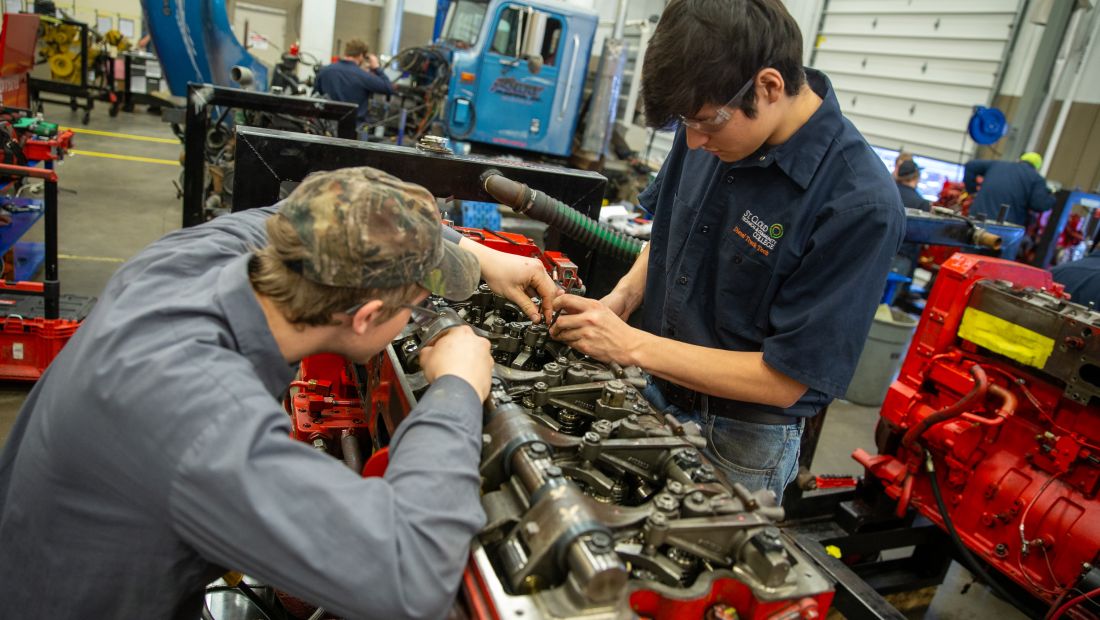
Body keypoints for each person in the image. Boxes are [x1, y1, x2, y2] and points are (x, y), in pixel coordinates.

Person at [0, 166, 559, 619]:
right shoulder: (200, 417)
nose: (417, 316)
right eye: (414, 307)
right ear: (365, 317)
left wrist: (478, 255)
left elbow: (307, 205)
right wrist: (457, 389)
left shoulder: (201, 256)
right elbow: (407, 576)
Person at [550, 0, 905, 502]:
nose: (693, 141)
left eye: (706, 123)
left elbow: (786, 381)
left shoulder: (858, 204)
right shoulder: (710, 129)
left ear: (768, 87)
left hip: (740, 440)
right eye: (684, 124)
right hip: (652, 384)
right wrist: (620, 302)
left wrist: (629, 346)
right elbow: (672, 235)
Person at [314, 39, 395, 127]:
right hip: (352, 130)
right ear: (361, 56)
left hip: (325, 128)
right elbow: (388, 88)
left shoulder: (325, 71)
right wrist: (376, 67)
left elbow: (316, 95)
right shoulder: (363, 76)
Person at [964, 152, 1055, 227]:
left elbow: (970, 166)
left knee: (968, 246)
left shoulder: (997, 165)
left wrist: (972, 191)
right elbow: (1039, 205)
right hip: (1005, 228)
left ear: (1020, 160)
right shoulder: (1036, 178)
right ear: (1036, 168)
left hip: (976, 219)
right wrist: (1052, 198)